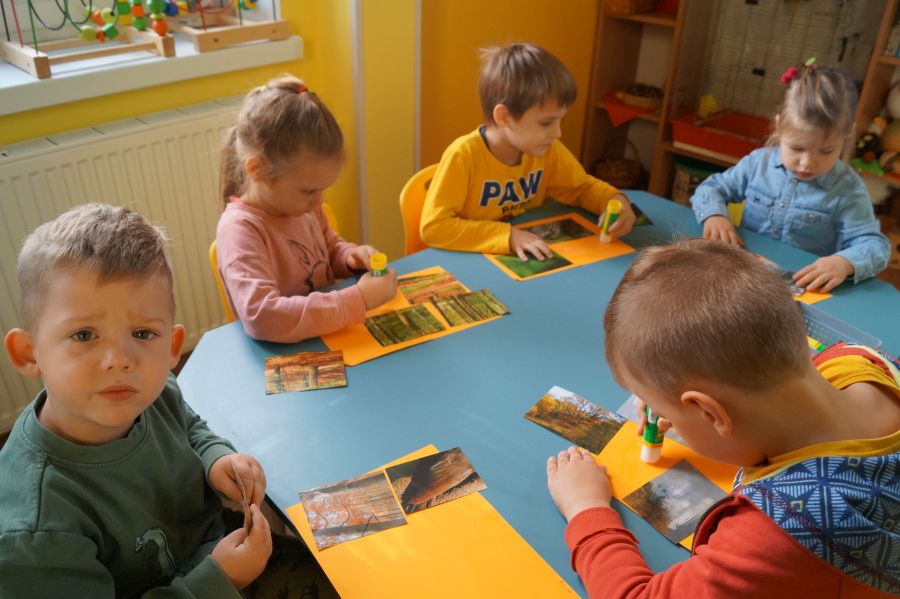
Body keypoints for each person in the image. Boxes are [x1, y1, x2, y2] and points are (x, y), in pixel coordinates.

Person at [546, 238, 900, 597]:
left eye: (665, 413)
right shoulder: (858, 360)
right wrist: (676, 406)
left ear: (710, 412)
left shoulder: (775, 534)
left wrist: (585, 507)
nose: (659, 418)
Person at [0, 203, 272, 597]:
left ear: (172, 347)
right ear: (29, 354)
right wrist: (218, 582)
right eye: (83, 335)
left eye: (143, 334)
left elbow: (189, 427)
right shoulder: (35, 530)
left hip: (220, 551)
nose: (119, 361)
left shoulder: (153, 391)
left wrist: (216, 458)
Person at [216, 75, 397, 343]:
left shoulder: (303, 208)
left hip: (328, 337)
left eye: (322, 190)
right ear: (257, 169)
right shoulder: (239, 229)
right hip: (286, 357)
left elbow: (328, 248)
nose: (319, 202)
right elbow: (262, 317)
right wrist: (358, 299)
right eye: (308, 191)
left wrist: (349, 257)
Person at [419, 42, 636, 261]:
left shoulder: (546, 149)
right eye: (546, 123)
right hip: (469, 259)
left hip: (520, 253)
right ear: (504, 117)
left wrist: (615, 200)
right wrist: (508, 236)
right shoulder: (463, 155)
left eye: (560, 120)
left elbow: (582, 189)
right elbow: (434, 227)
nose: (558, 133)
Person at [691, 61, 890, 292]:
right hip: (744, 276)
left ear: (845, 137)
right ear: (779, 127)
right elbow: (711, 188)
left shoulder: (848, 188)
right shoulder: (758, 163)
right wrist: (714, 215)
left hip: (802, 288)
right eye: (796, 148)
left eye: (826, 151)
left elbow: (876, 246)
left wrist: (844, 263)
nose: (806, 163)